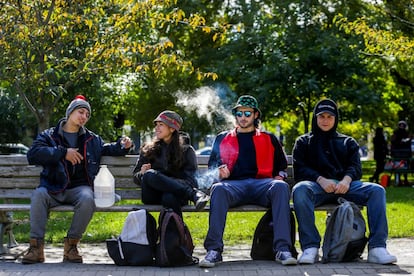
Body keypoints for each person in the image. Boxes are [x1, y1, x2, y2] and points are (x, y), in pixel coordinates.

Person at [23, 95, 133, 264]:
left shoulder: (92, 139)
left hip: (79, 188)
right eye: (81, 112)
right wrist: (63, 153)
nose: (84, 117)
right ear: (70, 112)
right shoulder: (49, 135)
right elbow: (33, 154)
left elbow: (107, 149)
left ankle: (71, 246)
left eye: (87, 115)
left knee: (88, 198)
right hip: (53, 187)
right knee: (38, 195)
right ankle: (36, 248)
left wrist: (122, 146)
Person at [292, 98, 397, 265]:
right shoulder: (303, 142)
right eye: (321, 116)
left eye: (329, 117)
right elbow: (301, 169)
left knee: (377, 190)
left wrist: (346, 181)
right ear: (315, 118)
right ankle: (310, 247)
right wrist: (321, 180)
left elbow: (355, 167)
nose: (325, 120)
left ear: (335, 119)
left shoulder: (348, 142)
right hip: (317, 188)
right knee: (300, 189)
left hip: (345, 187)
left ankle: (377, 248)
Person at [199, 95, 297, 268]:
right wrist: (219, 172)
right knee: (219, 189)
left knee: (281, 186)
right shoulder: (223, 138)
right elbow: (212, 168)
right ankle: (214, 250)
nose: (243, 117)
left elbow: (281, 166)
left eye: (247, 113)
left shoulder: (269, 138)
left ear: (255, 115)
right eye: (239, 113)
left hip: (263, 185)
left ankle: (282, 249)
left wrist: (279, 177)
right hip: (233, 186)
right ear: (235, 115)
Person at [132, 110, 209, 217]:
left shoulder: (186, 150)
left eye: (161, 125)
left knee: (169, 197)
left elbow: (191, 181)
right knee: (149, 174)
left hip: (176, 195)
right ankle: (193, 194)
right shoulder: (148, 149)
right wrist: (142, 173)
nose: (157, 128)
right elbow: (136, 177)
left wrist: (167, 183)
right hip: (152, 195)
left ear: (172, 128)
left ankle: (175, 232)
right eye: (156, 125)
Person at [390, 120, 411, 186]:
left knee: (404, 166)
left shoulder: (406, 133)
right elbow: (393, 142)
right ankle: (398, 180)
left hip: (404, 152)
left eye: (403, 125)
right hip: (398, 152)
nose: (402, 126)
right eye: (400, 125)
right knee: (398, 166)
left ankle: (405, 180)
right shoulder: (396, 133)